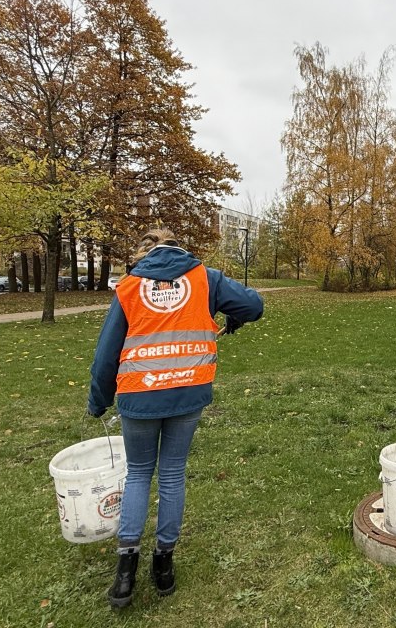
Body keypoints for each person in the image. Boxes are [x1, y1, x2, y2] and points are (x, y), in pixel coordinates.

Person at [87, 228, 264, 609]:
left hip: (139, 394)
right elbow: (253, 305)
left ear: (145, 252)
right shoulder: (205, 278)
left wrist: (98, 401)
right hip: (188, 390)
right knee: (171, 473)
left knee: (137, 474)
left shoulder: (130, 286)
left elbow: (106, 353)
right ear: (179, 249)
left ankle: (125, 573)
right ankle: (163, 565)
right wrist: (230, 313)